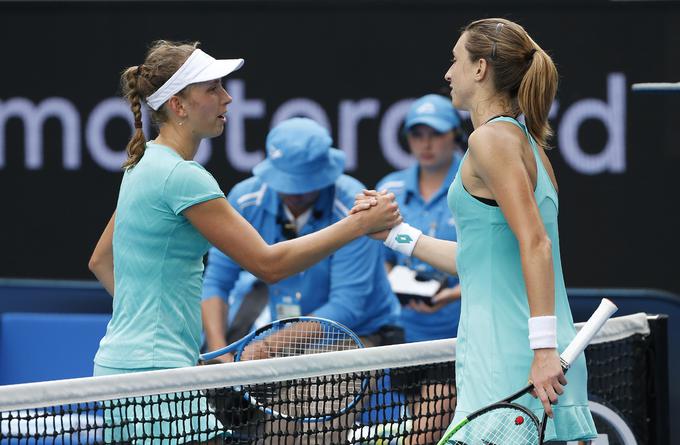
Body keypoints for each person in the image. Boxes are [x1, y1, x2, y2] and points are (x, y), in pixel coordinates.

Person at [87, 40, 400, 444]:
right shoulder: (184, 177)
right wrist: (358, 225)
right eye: (212, 89)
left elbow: (100, 260)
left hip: (118, 367)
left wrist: (163, 331)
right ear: (179, 106)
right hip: (158, 376)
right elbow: (269, 265)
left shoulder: (143, 163)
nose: (228, 97)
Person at [354, 18, 597, 444]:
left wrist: (541, 351)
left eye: (455, 60)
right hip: (524, 355)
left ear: (480, 68)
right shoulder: (526, 143)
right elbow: (478, 259)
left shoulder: (490, 141)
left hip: (516, 359)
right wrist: (394, 234)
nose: (448, 73)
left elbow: (535, 241)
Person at [202, 117, 402, 358]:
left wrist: (269, 346)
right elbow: (217, 281)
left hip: (359, 335)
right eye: (287, 183)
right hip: (283, 338)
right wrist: (217, 351)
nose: (294, 194)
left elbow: (346, 306)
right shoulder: (245, 200)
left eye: (304, 184)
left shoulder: (357, 207)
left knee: (307, 393)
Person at [375, 94, 464, 444]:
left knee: (424, 434)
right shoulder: (391, 187)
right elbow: (381, 258)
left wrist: (452, 294)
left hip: (459, 334)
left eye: (436, 133)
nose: (425, 144)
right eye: (417, 134)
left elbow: (491, 261)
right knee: (431, 429)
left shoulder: (474, 182)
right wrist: (395, 286)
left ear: (454, 134)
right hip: (406, 336)